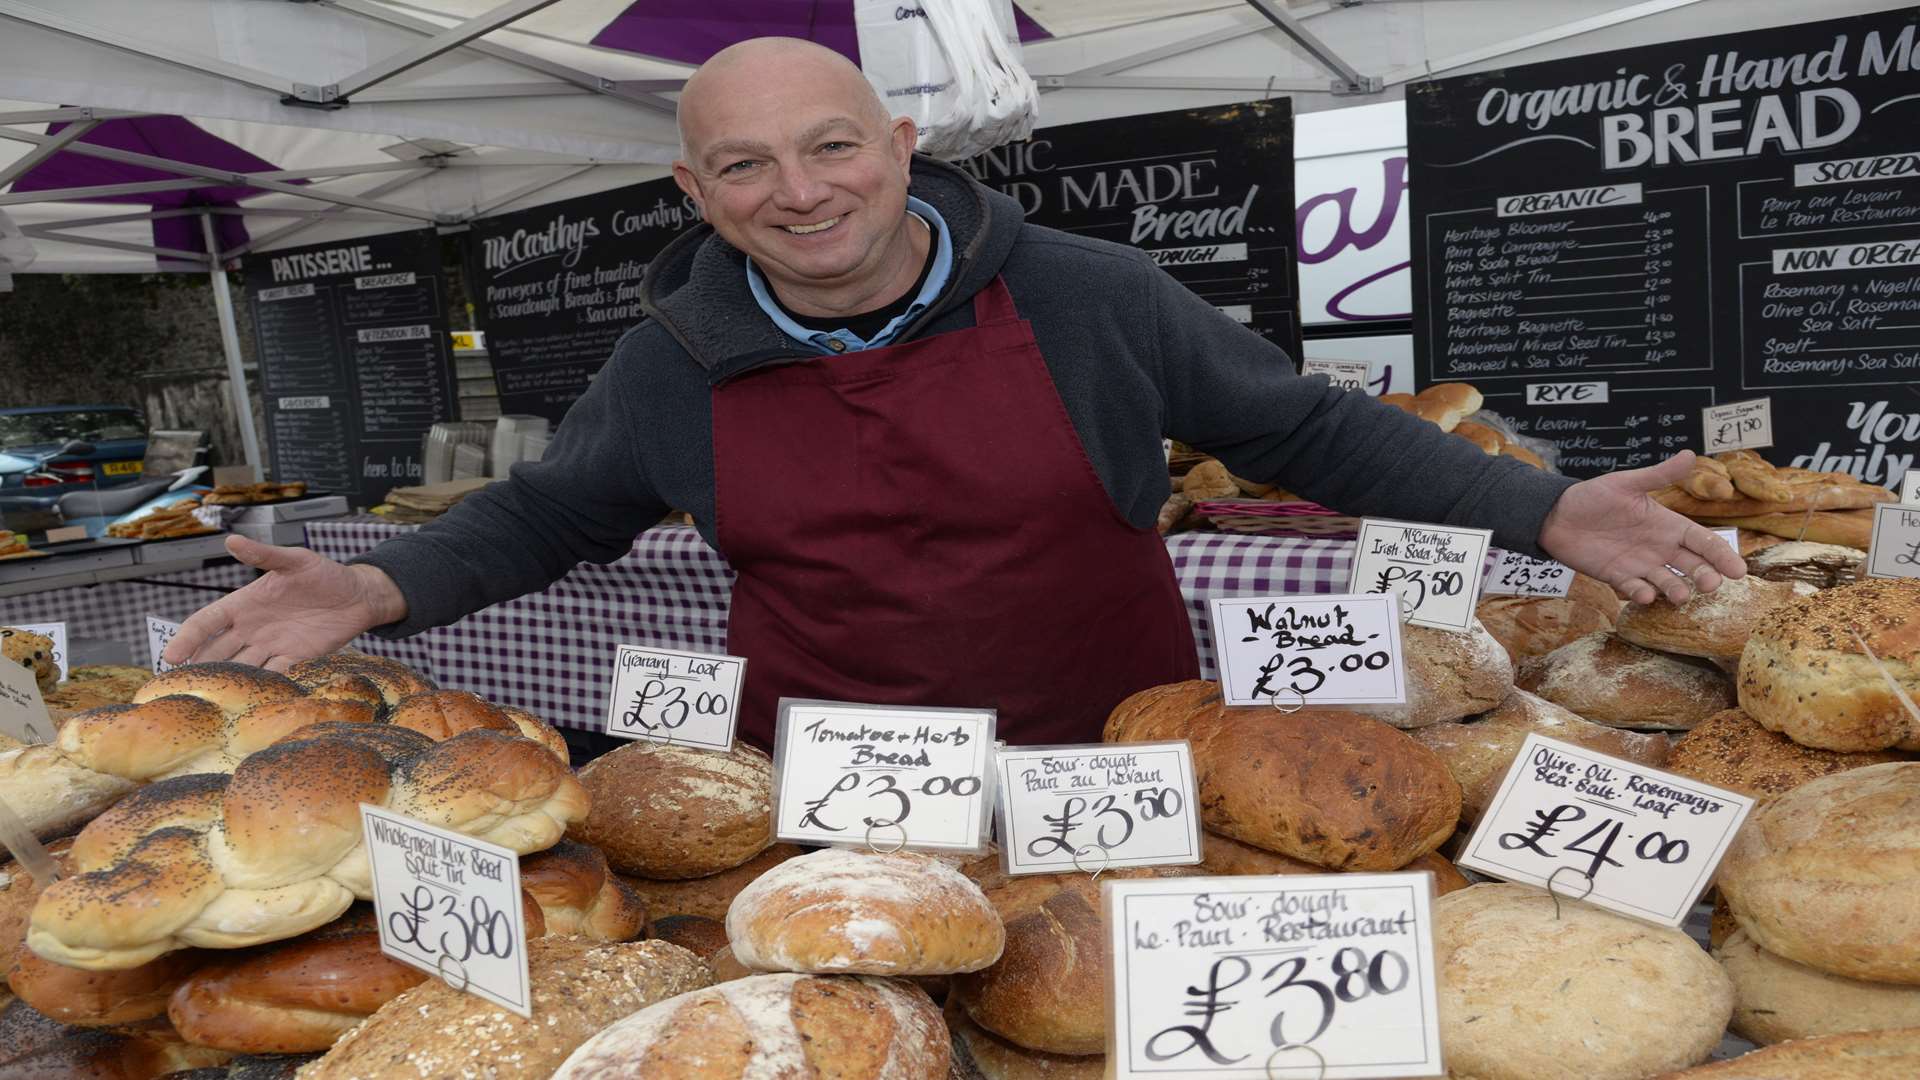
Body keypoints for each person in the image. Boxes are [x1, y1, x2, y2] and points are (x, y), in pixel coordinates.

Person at [168, 37, 1744, 748]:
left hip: (1107, 747)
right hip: (837, 770)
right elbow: (553, 512)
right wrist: (379, 580)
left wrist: (1544, 504)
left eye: (831, 144)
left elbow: (1302, 427)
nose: (799, 191)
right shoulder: (667, 361)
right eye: (746, 166)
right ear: (696, 192)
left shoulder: (1089, 293)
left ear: (901, 145)